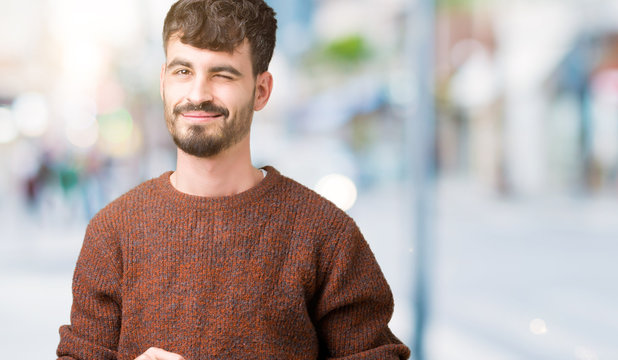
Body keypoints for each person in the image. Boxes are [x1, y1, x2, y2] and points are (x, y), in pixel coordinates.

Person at [56, 0, 411, 359]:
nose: (197, 94)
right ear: (163, 81)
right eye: (183, 71)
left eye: (222, 74)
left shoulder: (327, 235)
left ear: (262, 91)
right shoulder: (113, 232)